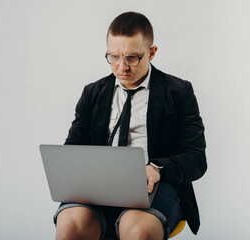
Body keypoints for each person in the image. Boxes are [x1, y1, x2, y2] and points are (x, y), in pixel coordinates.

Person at [54, 11, 207, 240]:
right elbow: (73, 149)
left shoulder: (179, 92)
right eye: (113, 57)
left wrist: (156, 169)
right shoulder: (92, 93)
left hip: (154, 186)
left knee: (137, 229)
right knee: (70, 223)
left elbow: (196, 159)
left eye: (132, 57)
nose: (121, 67)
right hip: (98, 188)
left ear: (151, 53)